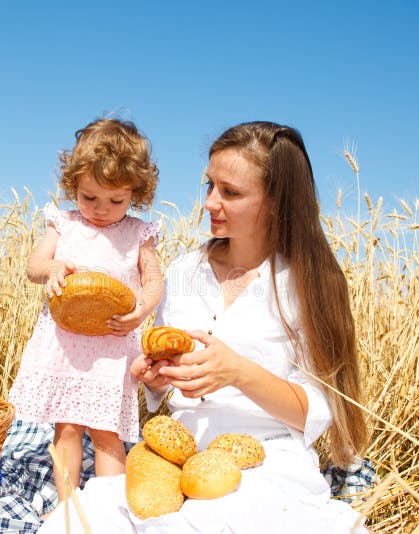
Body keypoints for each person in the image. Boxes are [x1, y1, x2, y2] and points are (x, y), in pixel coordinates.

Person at [39, 121, 370, 533]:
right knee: (76, 523)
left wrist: (238, 373)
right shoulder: (184, 270)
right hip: (174, 453)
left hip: (265, 460)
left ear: (275, 202)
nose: (211, 202)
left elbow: (321, 412)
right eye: (209, 185)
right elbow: (164, 391)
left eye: (230, 192)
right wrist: (154, 378)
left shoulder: (307, 283)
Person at [8, 118, 164, 505]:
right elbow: (33, 267)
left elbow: (154, 282)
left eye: (117, 201)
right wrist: (52, 269)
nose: (101, 210)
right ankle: (67, 507)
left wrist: (141, 310)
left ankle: (110, 511)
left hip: (111, 344)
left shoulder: (138, 234)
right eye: (89, 197)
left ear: (136, 194)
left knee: (107, 431)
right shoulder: (64, 224)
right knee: (67, 426)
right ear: (73, 185)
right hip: (65, 342)